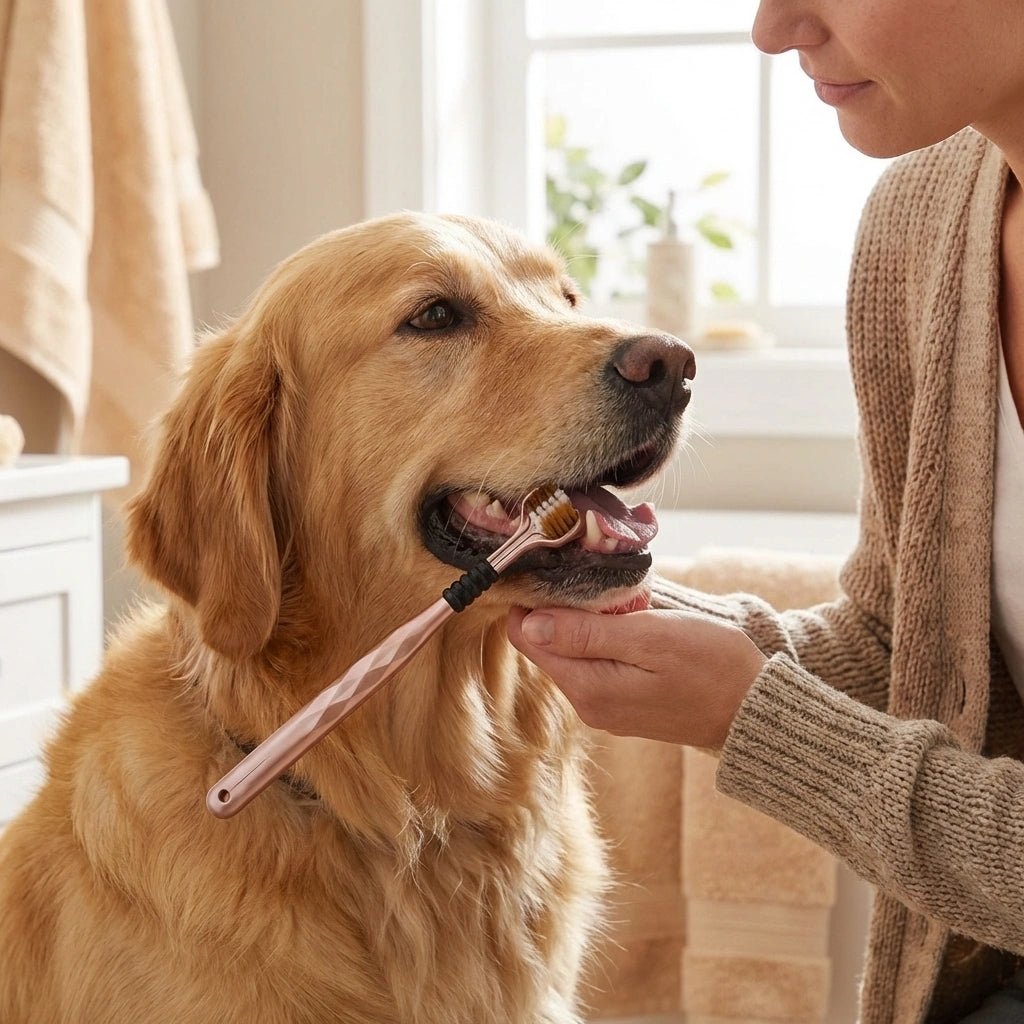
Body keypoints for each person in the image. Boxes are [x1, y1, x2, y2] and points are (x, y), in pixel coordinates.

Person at [507, 2, 1024, 1022]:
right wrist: (682, 636)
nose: (773, 26)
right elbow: (897, 646)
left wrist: (754, 717)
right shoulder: (921, 223)